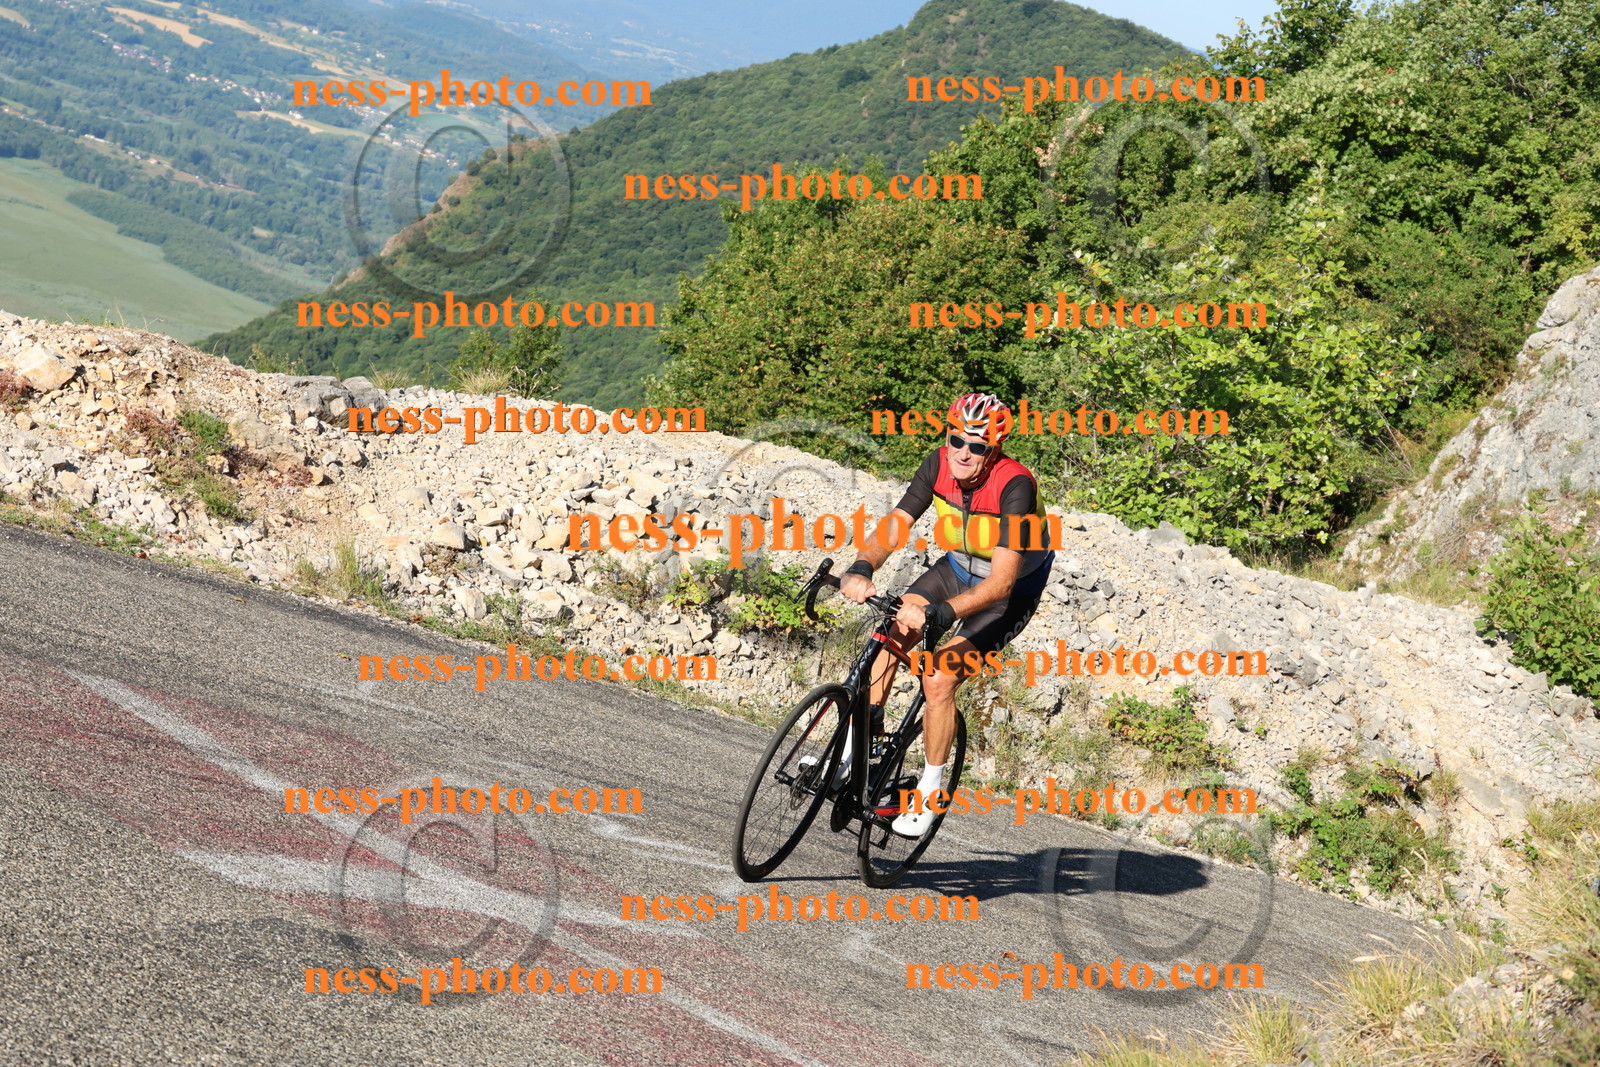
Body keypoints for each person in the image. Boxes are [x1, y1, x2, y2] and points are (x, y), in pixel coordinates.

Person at [839, 393, 1055, 837]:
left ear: (993, 450)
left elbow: (1001, 583)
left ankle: (929, 792)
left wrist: (940, 613)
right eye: (957, 440)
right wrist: (862, 566)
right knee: (893, 632)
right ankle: (857, 750)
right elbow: (897, 522)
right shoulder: (938, 464)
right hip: (956, 569)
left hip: (1008, 594)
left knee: (938, 677)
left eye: (977, 446)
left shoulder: (1015, 485)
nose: (963, 453)